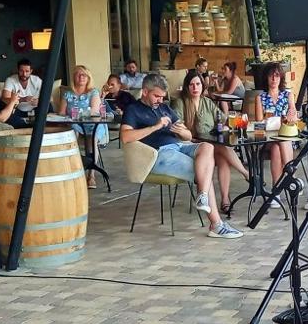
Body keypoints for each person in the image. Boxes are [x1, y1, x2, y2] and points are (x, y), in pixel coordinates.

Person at [121, 74, 243, 239]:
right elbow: (126, 137)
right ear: (144, 91)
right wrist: (155, 127)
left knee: (207, 147)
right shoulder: (133, 109)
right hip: (157, 155)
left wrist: (182, 132)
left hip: (179, 146)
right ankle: (216, 224)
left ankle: (202, 198)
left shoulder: (164, 108)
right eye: (156, 96)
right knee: (204, 171)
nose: (159, 100)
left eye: (162, 97)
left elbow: (187, 135)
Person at [173, 70, 249, 210]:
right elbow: (178, 127)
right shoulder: (180, 103)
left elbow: (223, 119)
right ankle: (246, 174)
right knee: (220, 147)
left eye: (197, 84)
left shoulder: (207, 102)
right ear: (186, 87)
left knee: (222, 157)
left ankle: (225, 200)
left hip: (209, 146)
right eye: (191, 85)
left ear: (202, 86)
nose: (195, 87)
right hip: (189, 147)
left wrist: (231, 124)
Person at [249, 62, 298, 201]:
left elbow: (293, 113)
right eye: (271, 76)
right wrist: (276, 121)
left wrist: (292, 116)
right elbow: (259, 122)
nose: (274, 79)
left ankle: (275, 191)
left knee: (278, 146)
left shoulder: (288, 95)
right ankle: (291, 179)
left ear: (281, 77)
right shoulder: (261, 97)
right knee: (279, 142)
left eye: (277, 76)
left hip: (284, 137)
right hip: (268, 137)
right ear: (266, 78)